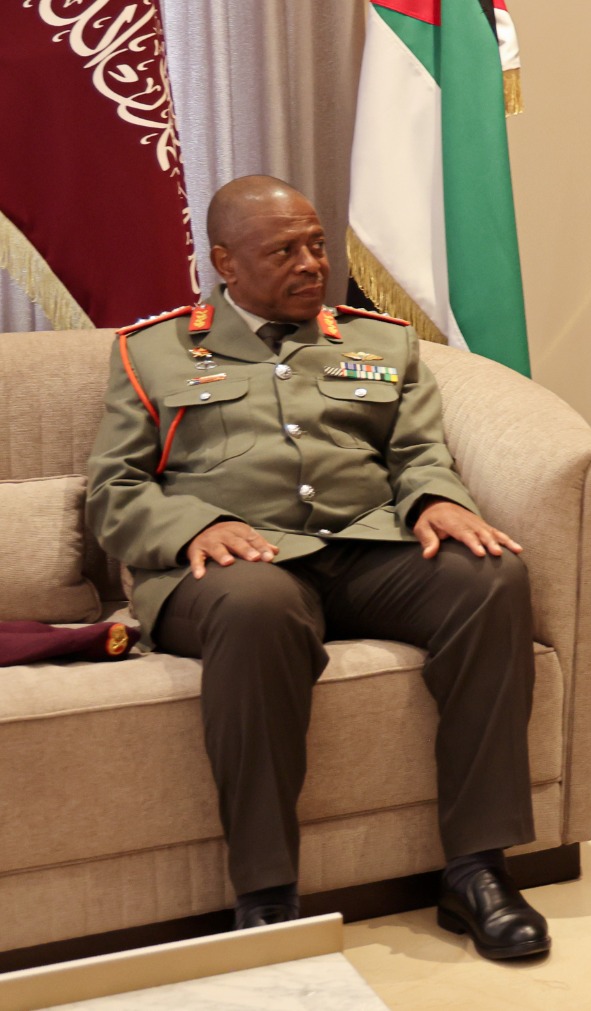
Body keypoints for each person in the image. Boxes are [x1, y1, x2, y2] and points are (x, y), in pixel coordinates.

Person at [85, 176, 550, 960]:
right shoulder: (153, 351)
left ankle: (478, 869)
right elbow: (114, 490)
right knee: (260, 608)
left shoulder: (380, 342)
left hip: (364, 552)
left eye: (316, 245)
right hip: (232, 570)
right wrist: (199, 524)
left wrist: (437, 500)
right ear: (226, 263)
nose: (311, 264)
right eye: (283, 251)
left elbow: (418, 451)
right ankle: (267, 896)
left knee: (490, 577)